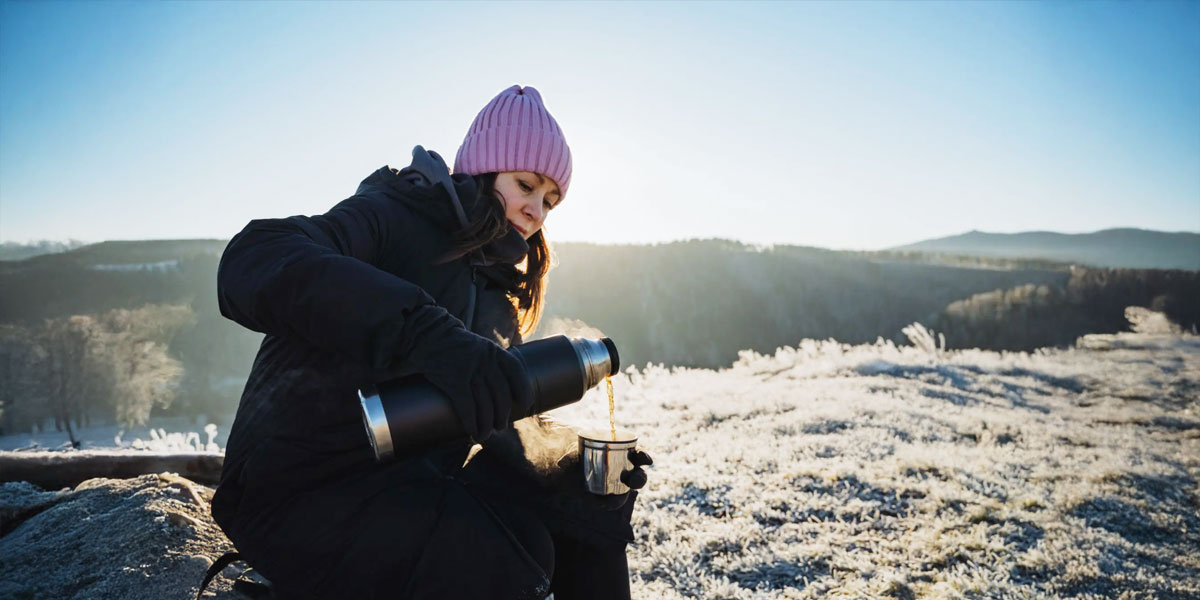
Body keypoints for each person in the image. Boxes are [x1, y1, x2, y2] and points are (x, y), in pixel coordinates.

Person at [210, 85, 652, 600]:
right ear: (484, 170)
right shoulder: (396, 213)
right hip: (296, 493)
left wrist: (569, 465)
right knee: (500, 563)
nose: (536, 210)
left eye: (549, 201)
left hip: (402, 485)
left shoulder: (495, 294)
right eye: (525, 185)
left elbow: (496, 413)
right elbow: (252, 258)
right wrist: (422, 331)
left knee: (577, 525)